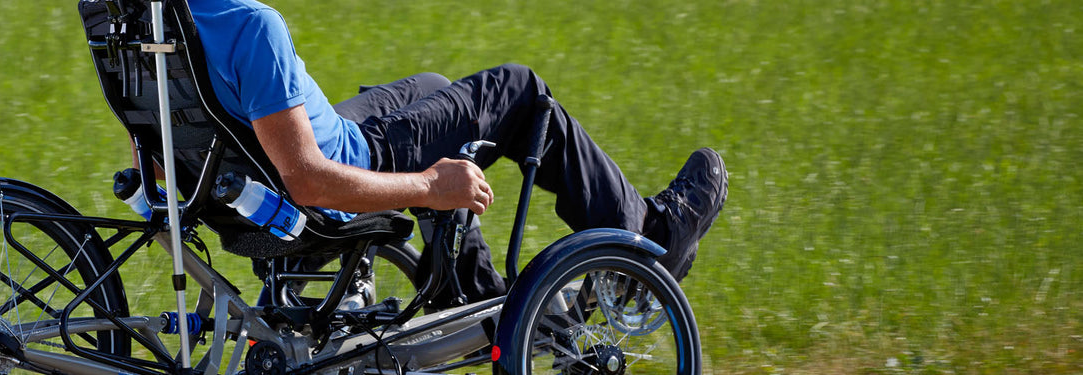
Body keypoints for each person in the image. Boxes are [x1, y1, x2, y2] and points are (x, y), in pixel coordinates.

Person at [185, 0, 727, 304]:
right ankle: (650, 237)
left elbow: (158, 160)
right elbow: (309, 182)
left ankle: (468, 289)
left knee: (434, 87)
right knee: (519, 90)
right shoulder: (251, 25)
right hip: (334, 176)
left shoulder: (152, 26)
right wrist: (431, 187)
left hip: (245, 186)